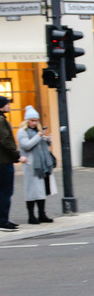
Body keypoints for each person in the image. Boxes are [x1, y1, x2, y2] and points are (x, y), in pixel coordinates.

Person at [17, 105, 57, 224]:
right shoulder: (22, 132)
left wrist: (47, 139)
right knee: (31, 192)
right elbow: (27, 145)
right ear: (26, 121)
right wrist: (39, 136)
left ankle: (42, 214)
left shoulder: (36, 132)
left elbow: (41, 145)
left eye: (36, 120)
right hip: (31, 166)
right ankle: (31, 216)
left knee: (41, 191)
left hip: (42, 166)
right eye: (32, 120)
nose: (34, 123)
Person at [0, 96, 27, 231]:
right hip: (4, 162)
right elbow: (5, 141)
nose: (9, 106)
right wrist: (17, 156)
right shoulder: (1, 120)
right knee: (5, 192)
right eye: (7, 104)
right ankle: (3, 221)